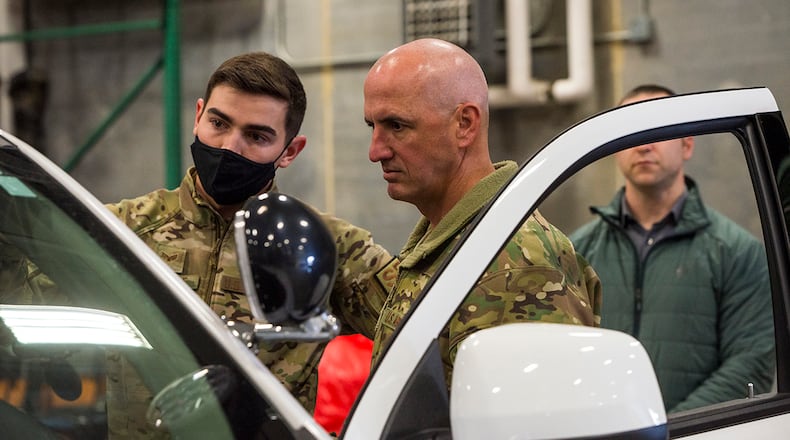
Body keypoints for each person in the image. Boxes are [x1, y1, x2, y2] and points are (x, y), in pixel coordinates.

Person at [107, 52, 395, 435]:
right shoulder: (122, 230)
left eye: (256, 136)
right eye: (218, 123)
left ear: (290, 151)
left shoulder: (328, 246)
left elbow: (427, 330)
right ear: (198, 116)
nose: (229, 147)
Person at [362, 38, 602, 388]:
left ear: (464, 125)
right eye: (373, 126)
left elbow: (534, 421)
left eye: (397, 126)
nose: (375, 151)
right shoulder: (459, 238)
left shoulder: (516, 264)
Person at [570, 84, 775, 413]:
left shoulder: (738, 252)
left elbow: (751, 366)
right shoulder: (578, 251)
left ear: (687, 144)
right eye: (630, 132)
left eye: (657, 130)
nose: (643, 144)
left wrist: (668, 429)